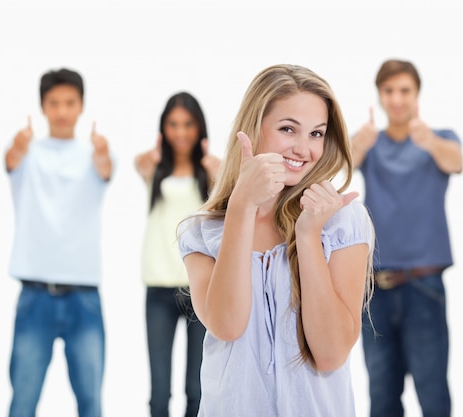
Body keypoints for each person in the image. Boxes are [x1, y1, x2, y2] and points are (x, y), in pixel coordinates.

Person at [177, 64, 375, 416]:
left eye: (316, 133)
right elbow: (227, 324)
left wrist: (309, 235)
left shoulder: (341, 221)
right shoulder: (202, 233)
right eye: (288, 129)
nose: (303, 149)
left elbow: (330, 354)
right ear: (254, 129)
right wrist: (241, 206)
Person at [353, 59, 461, 417]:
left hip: (423, 286)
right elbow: (337, 167)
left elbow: (457, 162)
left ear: (416, 95)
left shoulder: (439, 139)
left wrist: (428, 141)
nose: (396, 99)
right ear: (380, 96)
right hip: (374, 289)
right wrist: (359, 143)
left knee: (433, 394)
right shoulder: (370, 144)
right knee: (381, 395)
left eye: (404, 91)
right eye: (389, 91)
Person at [4, 68, 114, 417]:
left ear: (81, 105)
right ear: (42, 106)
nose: (62, 111)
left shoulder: (94, 153)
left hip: (84, 296)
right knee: (23, 401)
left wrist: (102, 154)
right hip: (34, 294)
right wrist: (18, 146)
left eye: (69, 102)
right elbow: (10, 161)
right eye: (54, 103)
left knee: (91, 403)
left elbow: (105, 169)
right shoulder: (26, 153)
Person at [134, 92, 221, 417]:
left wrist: (221, 177)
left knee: (197, 389)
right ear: (163, 128)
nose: (180, 132)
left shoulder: (213, 172)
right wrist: (147, 162)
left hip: (199, 289)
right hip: (158, 289)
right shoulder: (152, 169)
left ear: (199, 127)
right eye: (173, 125)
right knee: (159, 392)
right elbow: (138, 163)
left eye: (187, 124)